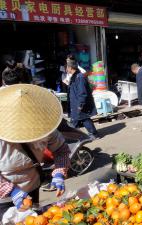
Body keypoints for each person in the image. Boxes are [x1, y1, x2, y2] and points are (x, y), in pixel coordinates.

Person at [0, 84, 70, 218]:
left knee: (34, 219)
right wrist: (13, 191)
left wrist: (59, 173)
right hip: (3, 198)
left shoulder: (44, 127)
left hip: (32, 187)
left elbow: (61, 149)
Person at [66, 60, 98, 139]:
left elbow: (82, 92)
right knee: (77, 120)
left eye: (67, 67)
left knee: (83, 118)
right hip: (75, 103)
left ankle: (93, 134)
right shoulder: (74, 76)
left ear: (70, 68)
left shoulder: (79, 77)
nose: (66, 69)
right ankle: (74, 137)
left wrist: (81, 104)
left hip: (79, 103)